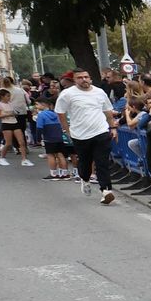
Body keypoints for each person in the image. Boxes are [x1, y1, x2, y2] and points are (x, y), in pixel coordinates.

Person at [55, 69, 119, 205]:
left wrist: (113, 127)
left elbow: (107, 111)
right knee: (85, 161)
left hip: (100, 131)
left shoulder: (99, 92)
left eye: (86, 77)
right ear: (74, 80)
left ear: (90, 78)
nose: (84, 80)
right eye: (80, 78)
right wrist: (67, 130)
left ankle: (106, 190)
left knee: (102, 162)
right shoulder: (67, 94)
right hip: (80, 134)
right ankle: (84, 179)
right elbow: (60, 113)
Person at [32, 99, 71, 180]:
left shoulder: (41, 115)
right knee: (60, 155)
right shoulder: (55, 114)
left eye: (37, 104)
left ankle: (54, 174)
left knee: (51, 155)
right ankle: (65, 173)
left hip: (49, 137)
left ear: (43, 105)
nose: (36, 106)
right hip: (59, 137)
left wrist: (38, 138)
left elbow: (39, 127)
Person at [0, 75, 32, 166]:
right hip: (14, 118)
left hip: (12, 119)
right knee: (13, 139)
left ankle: (21, 155)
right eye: (8, 96)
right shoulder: (19, 89)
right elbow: (28, 101)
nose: (9, 97)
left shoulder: (4, 92)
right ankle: (3, 157)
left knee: (17, 139)